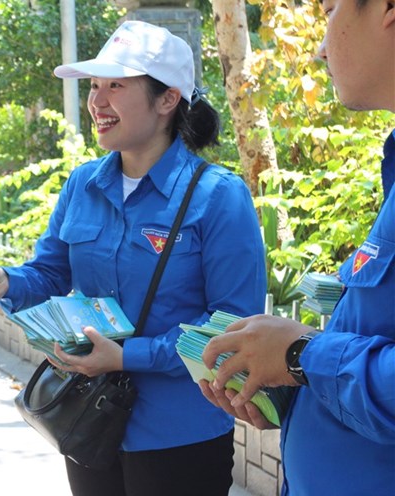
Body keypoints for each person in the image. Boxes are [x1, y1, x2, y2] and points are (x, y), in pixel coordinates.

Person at [0, 20, 267, 496]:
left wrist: (127, 356)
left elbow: (232, 325)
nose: (96, 102)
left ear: (167, 100)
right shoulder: (83, 184)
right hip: (87, 420)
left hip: (180, 434)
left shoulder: (217, 196)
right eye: (94, 86)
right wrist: (3, 282)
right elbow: (49, 273)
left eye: (116, 86)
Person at [200, 1, 395, 494]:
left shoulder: (215, 193)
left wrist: (300, 355)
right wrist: (298, 385)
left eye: (330, 10)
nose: (319, 50)